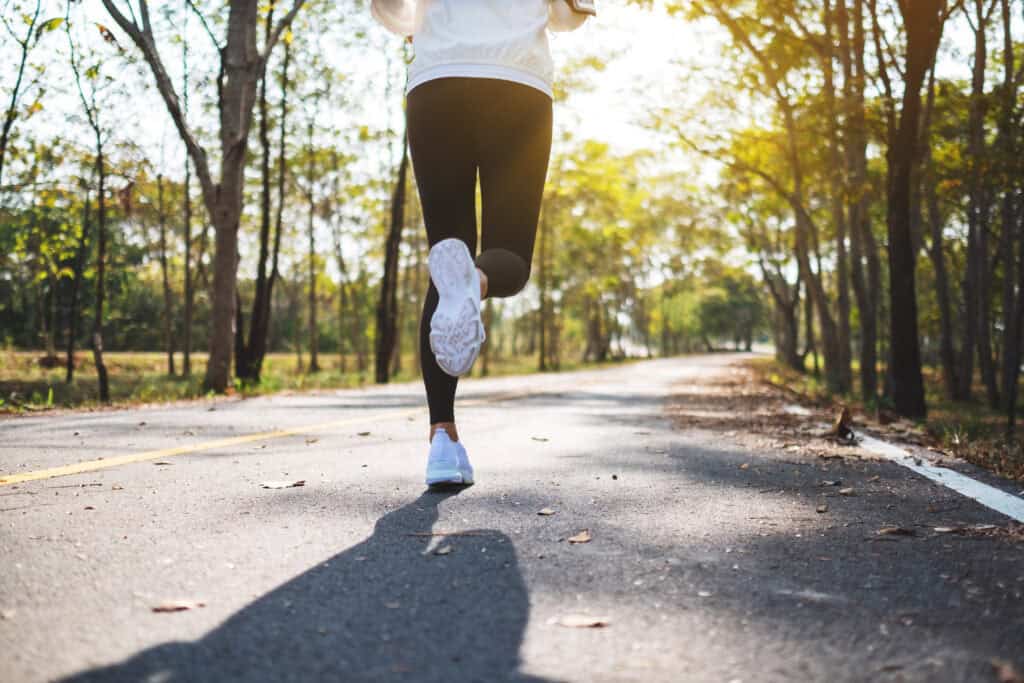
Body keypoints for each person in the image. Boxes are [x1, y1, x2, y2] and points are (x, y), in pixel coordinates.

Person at [371, 0, 593, 487]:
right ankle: (477, 280)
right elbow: (571, 14)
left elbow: (389, 8)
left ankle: (443, 445)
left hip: (436, 84)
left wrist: (420, 26)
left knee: (446, 251)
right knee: (509, 256)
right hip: (517, 85)